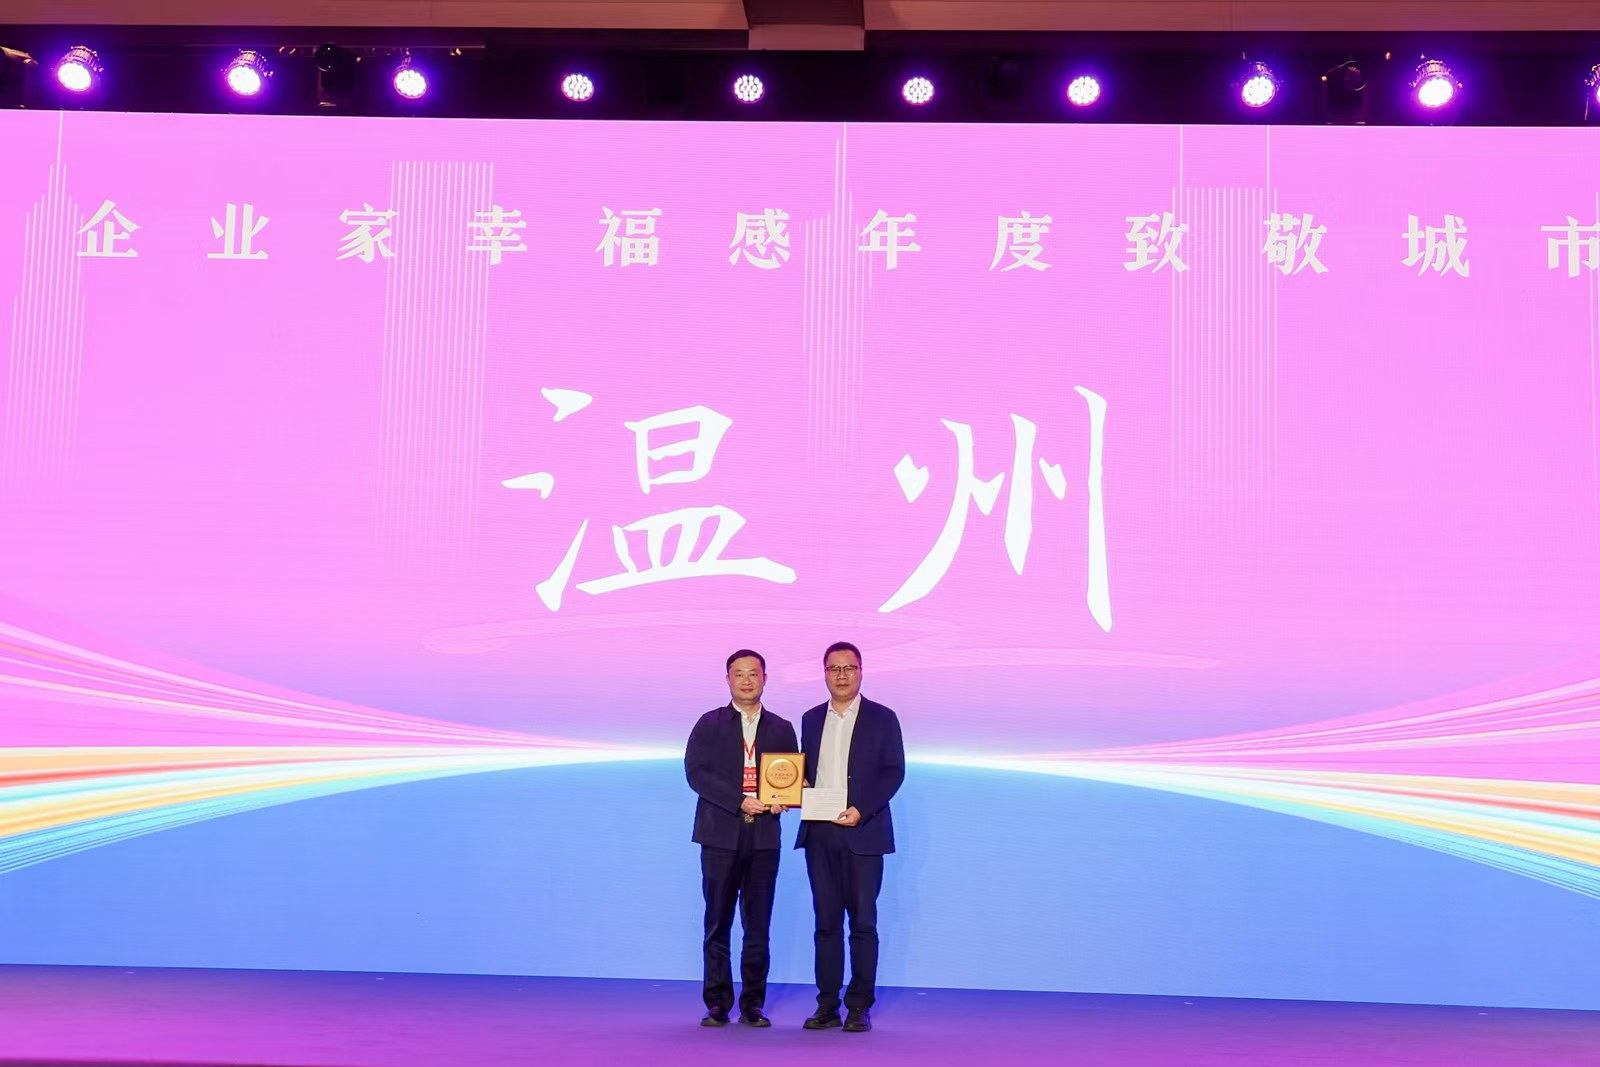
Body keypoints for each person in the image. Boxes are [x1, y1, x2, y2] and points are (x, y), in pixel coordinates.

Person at [684, 649, 799, 1028]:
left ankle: (753, 1004)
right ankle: (717, 1003)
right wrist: (739, 800)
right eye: (739, 674)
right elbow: (696, 773)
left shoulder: (781, 728)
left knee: (758, 925)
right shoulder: (709, 723)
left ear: (765, 678)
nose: (747, 681)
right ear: (728, 680)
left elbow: (790, 777)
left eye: (753, 673)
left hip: (764, 839)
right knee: (717, 923)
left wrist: (785, 799)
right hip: (719, 836)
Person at [795, 641, 905, 1033]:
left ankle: (859, 1006)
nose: (841, 675)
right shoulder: (810, 718)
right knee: (825, 923)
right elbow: (804, 770)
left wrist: (862, 808)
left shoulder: (883, 717)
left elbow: (893, 772)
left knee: (862, 923)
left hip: (864, 831)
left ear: (860, 671)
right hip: (820, 833)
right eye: (834, 668)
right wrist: (797, 786)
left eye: (848, 668)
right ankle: (827, 1005)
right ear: (824, 673)